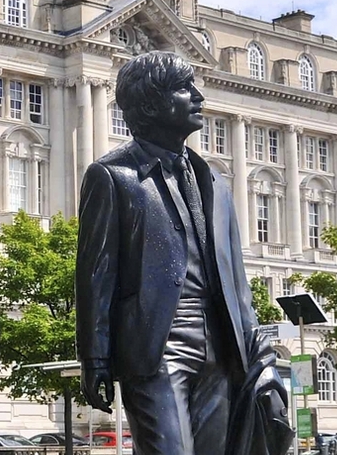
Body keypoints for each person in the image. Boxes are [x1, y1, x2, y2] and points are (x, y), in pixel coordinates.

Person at [75, 51, 291, 455]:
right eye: (183, 88)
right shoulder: (113, 176)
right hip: (157, 343)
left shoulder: (215, 181)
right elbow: (95, 275)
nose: (198, 97)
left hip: (220, 344)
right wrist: (95, 358)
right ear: (151, 104)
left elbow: (237, 282)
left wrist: (258, 353)